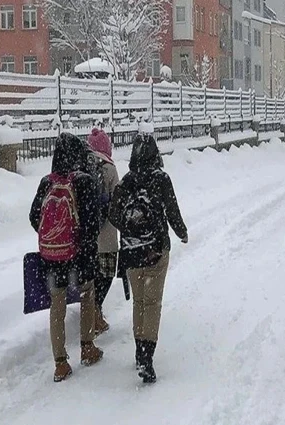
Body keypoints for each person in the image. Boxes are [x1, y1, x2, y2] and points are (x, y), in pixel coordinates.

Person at [109, 134, 188, 384]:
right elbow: (172, 210)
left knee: (139, 303)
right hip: (155, 249)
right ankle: (146, 357)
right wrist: (181, 232)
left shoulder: (126, 182)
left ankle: (138, 350)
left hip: (132, 251)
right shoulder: (161, 179)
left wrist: (129, 228)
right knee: (153, 304)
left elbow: (112, 213)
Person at [29, 132, 103, 383]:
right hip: (80, 254)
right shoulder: (83, 180)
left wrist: (54, 236)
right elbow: (94, 221)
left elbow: (33, 218)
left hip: (52, 256)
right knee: (86, 296)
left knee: (57, 306)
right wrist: (81, 241)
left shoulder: (46, 182)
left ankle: (60, 363)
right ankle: (87, 347)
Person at [85, 128, 120, 336]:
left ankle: (90, 312)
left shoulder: (81, 166)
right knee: (105, 275)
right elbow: (118, 197)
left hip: (87, 235)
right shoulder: (109, 167)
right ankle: (95, 312)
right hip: (106, 234)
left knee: (91, 276)